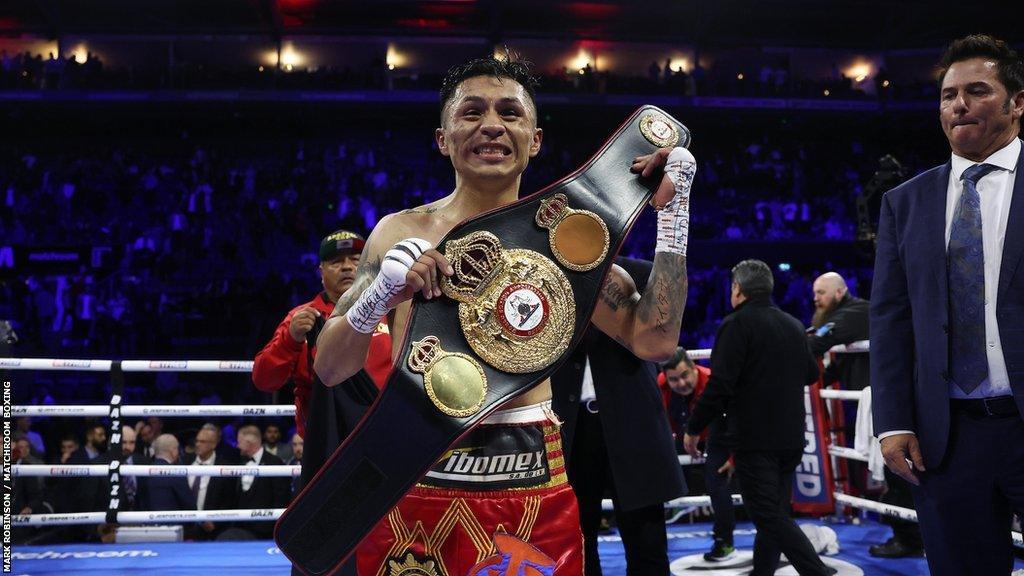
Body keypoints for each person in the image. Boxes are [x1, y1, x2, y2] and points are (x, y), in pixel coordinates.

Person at [313, 53, 693, 575]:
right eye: (472, 112)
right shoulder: (398, 234)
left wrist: (674, 220)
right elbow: (330, 368)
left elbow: (655, 341)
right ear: (443, 139)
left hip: (532, 481)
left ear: (534, 140)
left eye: (510, 113)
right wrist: (379, 296)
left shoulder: (568, 240)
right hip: (417, 469)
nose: (492, 125)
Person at [870, 34, 1024, 575]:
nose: (958, 104)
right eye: (947, 94)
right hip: (948, 438)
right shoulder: (904, 203)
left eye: (977, 90)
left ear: (1017, 103)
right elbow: (890, 320)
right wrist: (891, 422)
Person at [683, 260, 833, 576]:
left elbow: (720, 385)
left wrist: (694, 428)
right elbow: (810, 373)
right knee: (774, 513)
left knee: (767, 516)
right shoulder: (793, 324)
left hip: (755, 439)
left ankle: (817, 572)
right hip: (791, 437)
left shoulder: (737, 324)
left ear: (737, 289)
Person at [551, 257, 686, 576]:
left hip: (632, 424)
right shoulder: (549, 276)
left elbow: (661, 340)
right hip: (572, 428)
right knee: (579, 542)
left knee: (647, 542)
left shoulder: (638, 273)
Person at [808, 272, 923, 558]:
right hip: (877, 407)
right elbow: (836, 363)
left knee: (898, 471)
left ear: (839, 292)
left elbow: (814, 343)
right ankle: (909, 534)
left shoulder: (854, 313)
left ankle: (908, 538)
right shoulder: (849, 315)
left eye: (821, 292)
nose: (816, 299)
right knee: (892, 471)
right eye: (814, 293)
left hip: (888, 408)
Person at [252, 228, 392, 440]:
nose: (347, 267)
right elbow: (264, 380)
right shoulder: (301, 319)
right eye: (336, 262)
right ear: (321, 272)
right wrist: (290, 340)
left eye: (355, 259)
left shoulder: (393, 311)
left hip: (389, 433)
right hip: (328, 443)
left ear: (368, 266)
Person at [659, 347, 736, 562]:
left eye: (685, 375)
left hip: (718, 434)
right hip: (683, 434)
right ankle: (675, 500)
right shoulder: (660, 386)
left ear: (694, 368)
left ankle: (725, 541)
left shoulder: (714, 383)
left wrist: (733, 457)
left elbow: (737, 423)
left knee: (717, 479)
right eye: (674, 379)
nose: (681, 383)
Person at [223, 425, 290, 540]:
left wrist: (273, 525)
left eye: (239, 442)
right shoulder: (239, 461)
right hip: (240, 526)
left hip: (266, 529)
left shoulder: (274, 462)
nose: (237, 446)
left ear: (249, 443)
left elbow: (281, 497)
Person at [185, 424, 237, 541]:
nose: (197, 444)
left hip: (211, 530)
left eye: (202, 441)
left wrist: (215, 523)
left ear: (213, 444)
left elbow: (229, 500)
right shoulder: (185, 461)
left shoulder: (224, 468)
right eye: (197, 441)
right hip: (185, 526)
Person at [140, 434, 195, 513]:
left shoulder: (143, 473)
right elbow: (189, 506)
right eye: (177, 449)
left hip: (147, 522)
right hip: (174, 523)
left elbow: (140, 504)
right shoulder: (176, 473)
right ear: (173, 451)